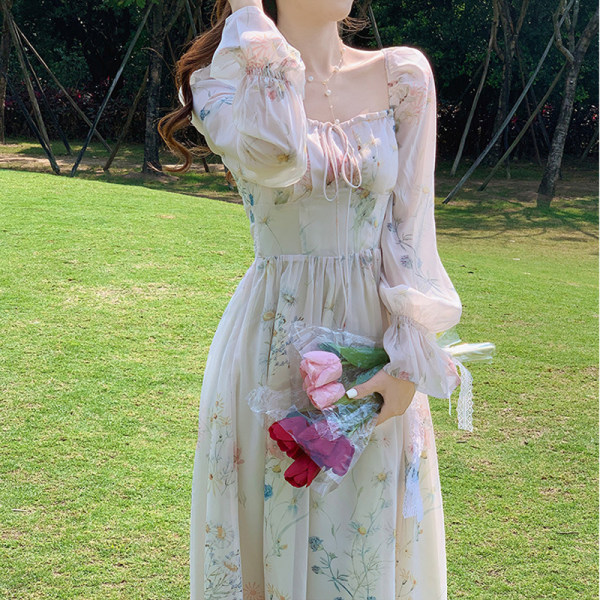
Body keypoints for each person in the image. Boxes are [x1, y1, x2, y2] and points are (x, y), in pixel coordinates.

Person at [159, 0, 471, 597]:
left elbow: (411, 234)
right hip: (272, 348)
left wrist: (410, 360)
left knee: (365, 548)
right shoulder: (222, 82)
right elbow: (277, 156)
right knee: (275, 523)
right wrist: (252, 21)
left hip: (379, 348)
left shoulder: (403, 77)